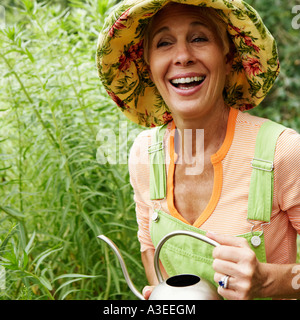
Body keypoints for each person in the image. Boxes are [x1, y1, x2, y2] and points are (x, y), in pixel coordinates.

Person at [97, 0, 300, 300]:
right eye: (164, 43)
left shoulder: (283, 152)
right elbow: (150, 251)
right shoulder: (144, 153)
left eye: (199, 38)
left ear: (229, 56)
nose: (182, 56)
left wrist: (267, 281)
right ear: (148, 66)